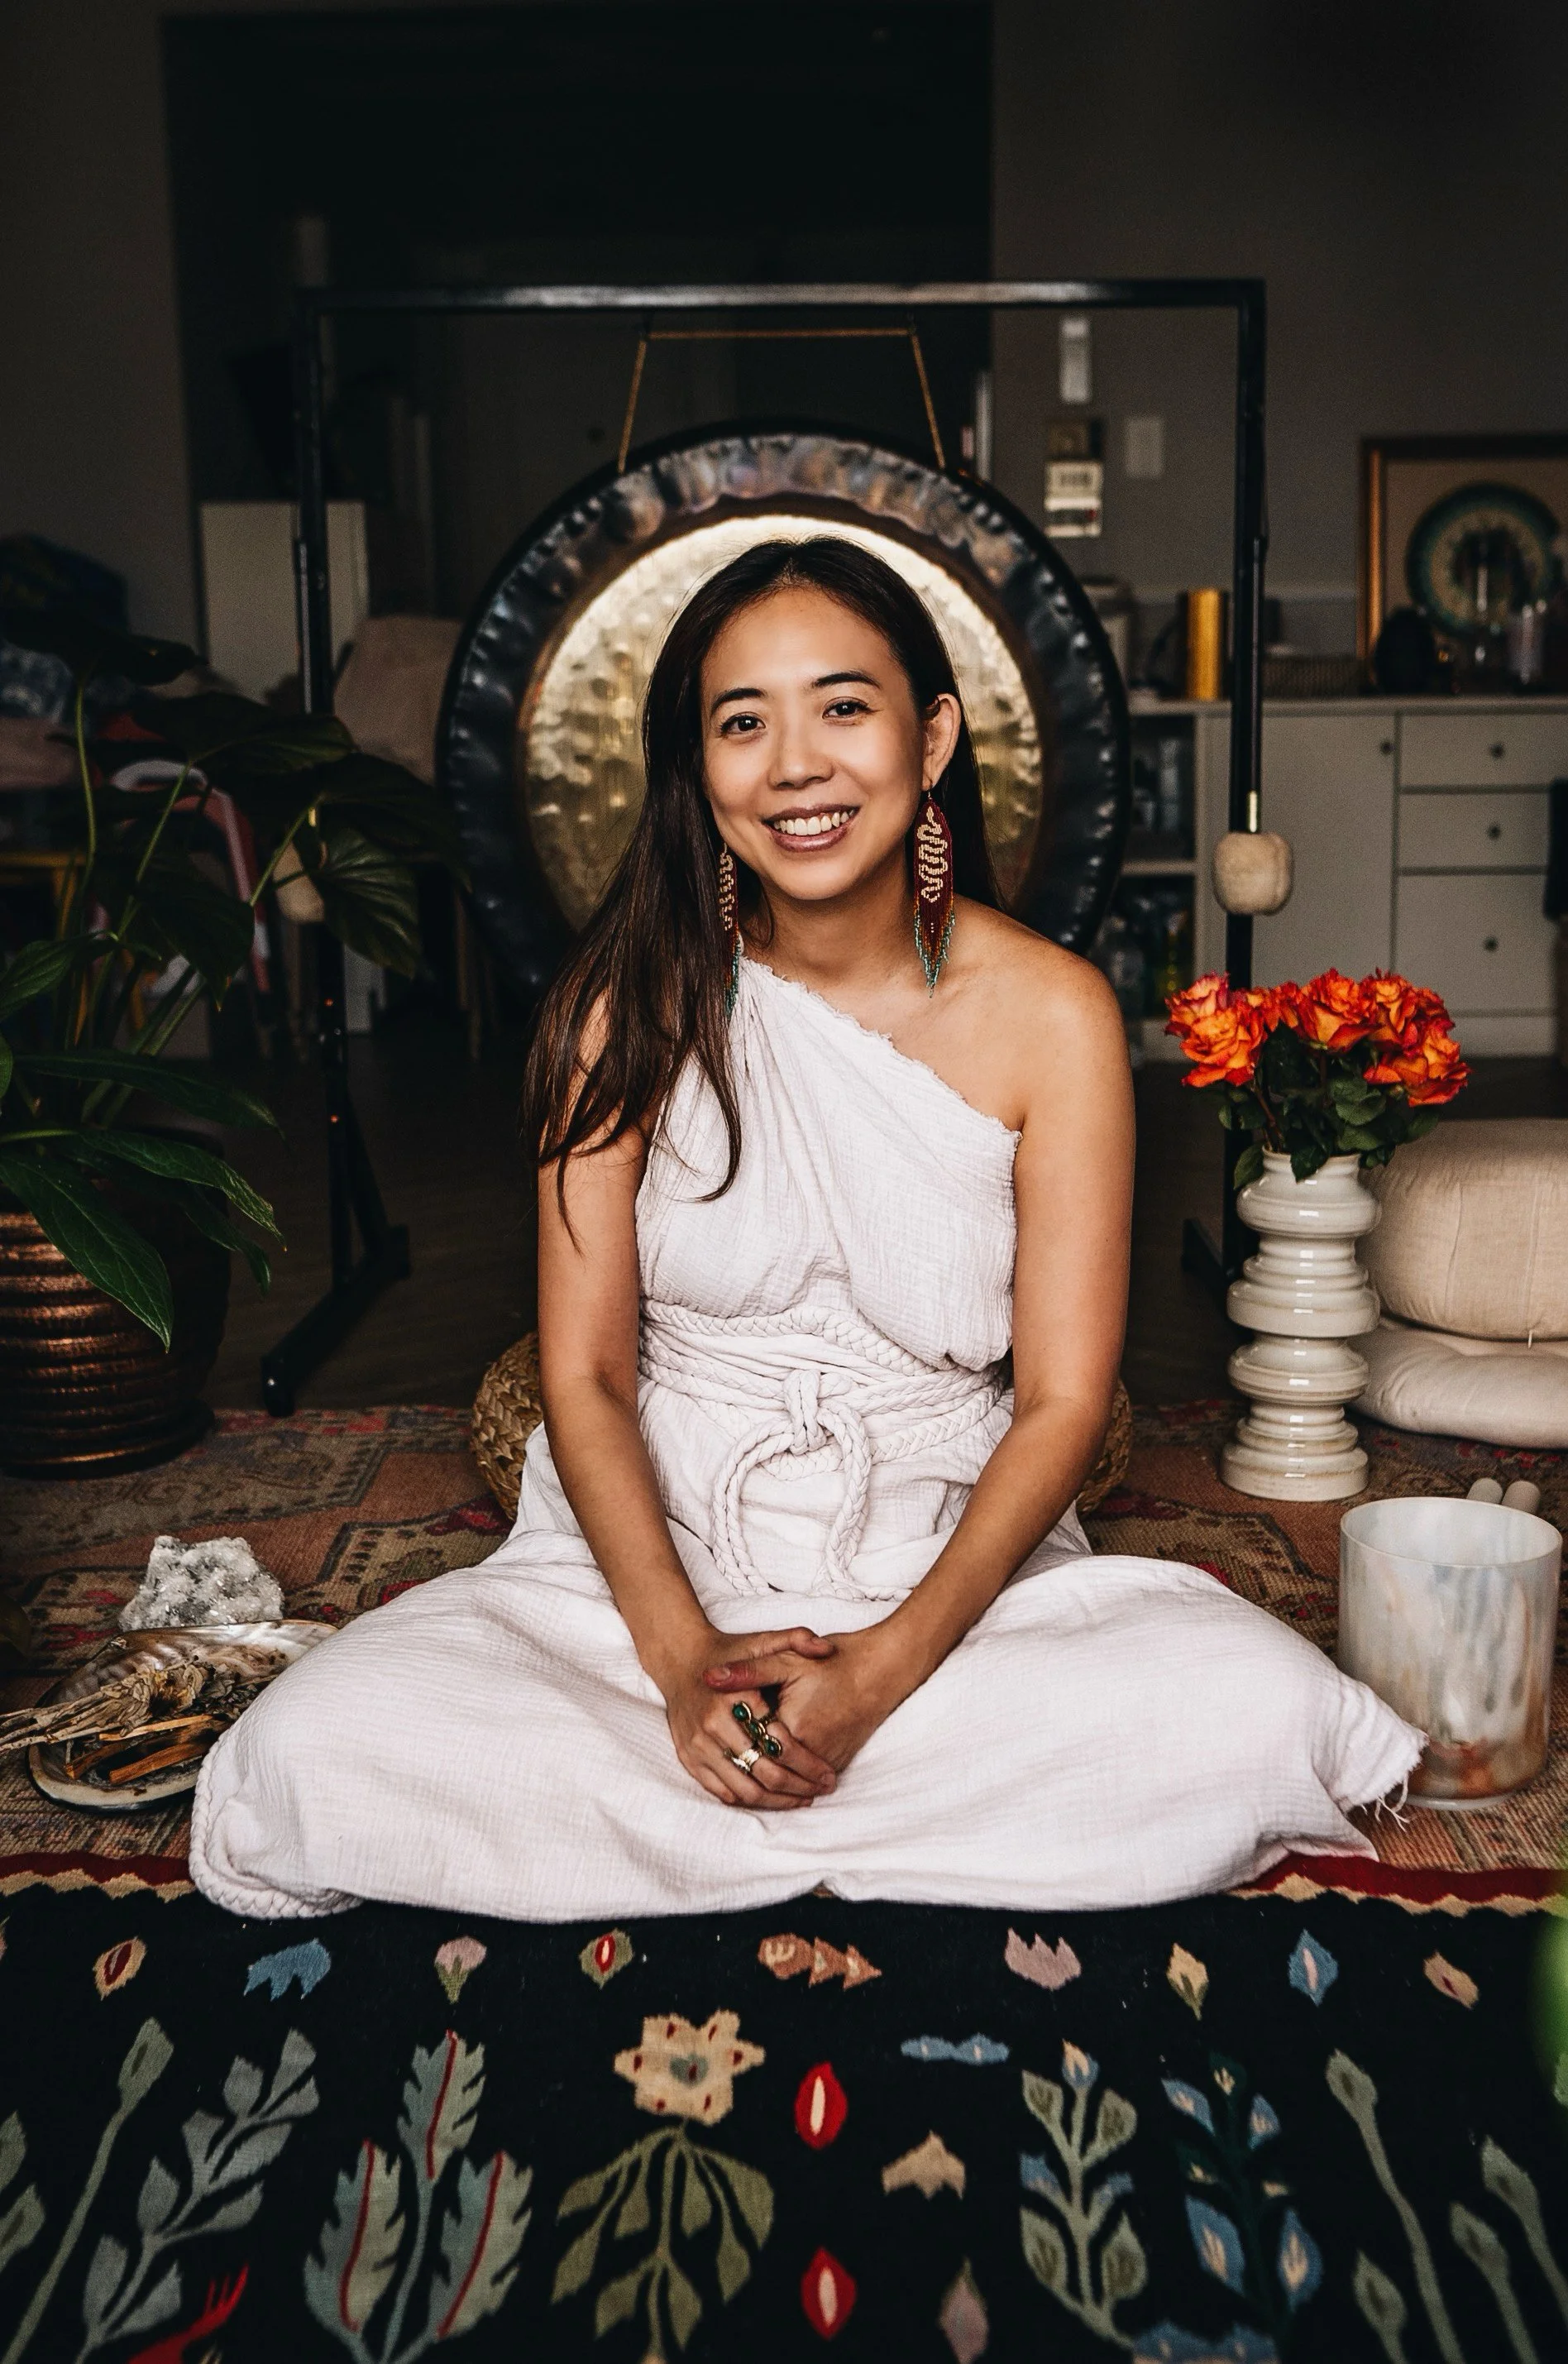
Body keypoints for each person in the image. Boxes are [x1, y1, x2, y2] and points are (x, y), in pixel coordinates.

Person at [192, 538, 1419, 1921]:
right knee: (310, 1750)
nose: (794, 765)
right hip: (657, 1555)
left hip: (942, 1553)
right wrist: (678, 1665)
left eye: (843, 705)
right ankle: (818, 1809)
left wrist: (881, 1670)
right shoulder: (621, 1009)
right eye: (741, 721)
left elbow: (1065, 1399)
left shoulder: (1056, 1015)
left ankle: (698, 1832)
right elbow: (585, 1375)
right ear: (696, 770)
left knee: (1253, 1707)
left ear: (934, 732)